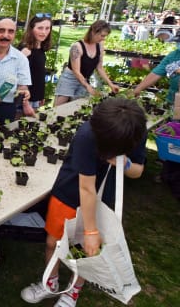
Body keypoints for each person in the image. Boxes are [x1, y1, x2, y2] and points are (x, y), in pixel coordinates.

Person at [21, 97, 147, 307]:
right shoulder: (88, 133)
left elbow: (138, 172)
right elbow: (85, 187)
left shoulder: (135, 132)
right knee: (54, 242)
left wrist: (124, 163)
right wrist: (91, 231)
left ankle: (72, 292)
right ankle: (50, 284)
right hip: (69, 191)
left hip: (102, 199)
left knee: (84, 253)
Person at [54, 20, 119, 106]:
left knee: (76, 107)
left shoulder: (100, 45)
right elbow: (76, 71)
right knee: (59, 107)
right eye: (102, 35)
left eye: (105, 36)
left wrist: (111, 84)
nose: (103, 38)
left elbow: (99, 67)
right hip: (69, 78)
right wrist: (88, 87)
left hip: (84, 79)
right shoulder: (77, 47)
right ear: (93, 32)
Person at [0, 18, 32, 124]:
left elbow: (22, 85)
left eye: (10, 31)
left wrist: (24, 92)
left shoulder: (21, 59)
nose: (6, 35)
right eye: (1, 31)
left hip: (7, 107)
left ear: (14, 35)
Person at [20, 14, 53, 108]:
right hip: (25, 99)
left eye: (47, 28)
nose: (44, 32)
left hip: (36, 98)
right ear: (31, 29)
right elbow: (17, 76)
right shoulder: (25, 50)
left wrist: (41, 96)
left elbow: (39, 75)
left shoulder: (41, 48)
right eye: (40, 28)